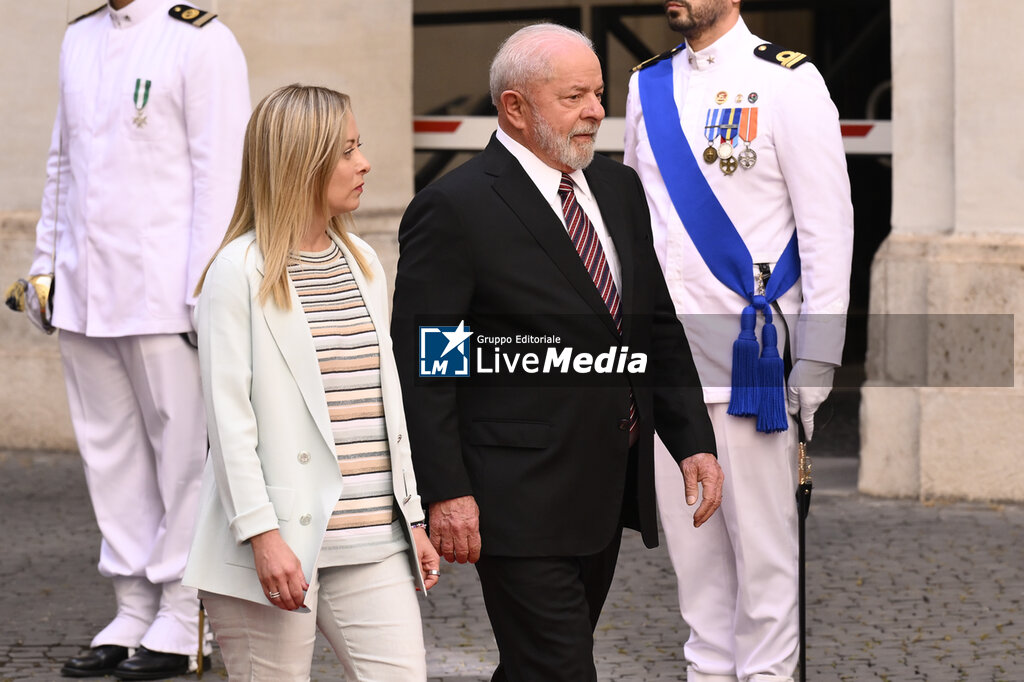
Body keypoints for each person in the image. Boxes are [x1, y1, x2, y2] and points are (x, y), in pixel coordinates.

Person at [391, 23, 724, 682]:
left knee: (535, 667)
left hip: (602, 493)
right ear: (515, 107)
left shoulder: (619, 191)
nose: (596, 111)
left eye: (597, 94)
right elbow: (430, 364)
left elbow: (653, 325)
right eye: (575, 97)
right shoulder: (454, 209)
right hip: (512, 498)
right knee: (560, 669)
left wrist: (691, 438)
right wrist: (448, 492)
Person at [17, 1, 250, 678]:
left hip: (164, 293)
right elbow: (62, 161)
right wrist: (44, 267)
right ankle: (130, 604)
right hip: (88, 288)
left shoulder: (200, 40)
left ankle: (183, 611)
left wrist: (205, 292)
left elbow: (221, 178)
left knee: (183, 460)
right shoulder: (80, 36)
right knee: (108, 453)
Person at [623, 2, 854, 681]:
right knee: (698, 587)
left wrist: (817, 355)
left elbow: (827, 227)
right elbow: (645, 228)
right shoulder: (646, 85)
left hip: (753, 367)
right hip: (669, 366)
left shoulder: (788, 81)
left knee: (765, 578)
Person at [181, 84, 440, 682]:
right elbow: (229, 424)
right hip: (274, 544)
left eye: (360, 146)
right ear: (301, 162)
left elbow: (384, 408)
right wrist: (261, 536)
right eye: (346, 150)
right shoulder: (235, 274)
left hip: (375, 540)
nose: (365, 163)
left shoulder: (364, 261)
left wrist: (413, 518)